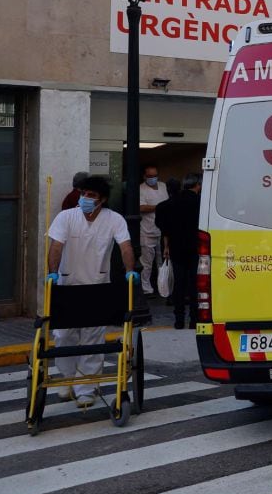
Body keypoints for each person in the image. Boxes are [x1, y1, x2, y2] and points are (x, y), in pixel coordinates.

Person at [45, 175, 136, 407]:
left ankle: (87, 388)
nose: (86, 198)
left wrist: (130, 270)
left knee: (92, 338)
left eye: (92, 195)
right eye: (84, 194)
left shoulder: (114, 219)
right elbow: (56, 246)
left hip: (97, 287)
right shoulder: (66, 217)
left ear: (102, 199)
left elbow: (125, 246)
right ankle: (67, 380)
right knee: (64, 336)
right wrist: (52, 272)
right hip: (68, 286)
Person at [161, 172, 202, 329]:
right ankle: (194, 319)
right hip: (195, 248)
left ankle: (178, 319)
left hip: (176, 248)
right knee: (195, 285)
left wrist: (166, 247)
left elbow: (166, 228)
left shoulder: (172, 202)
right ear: (198, 185)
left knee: (178, 284)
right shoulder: (200, 202)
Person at [138, 165, 169, 296]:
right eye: (150, 176)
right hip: (147, 230)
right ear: (144, 177)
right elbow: (141, 207)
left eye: (155, 175)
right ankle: (146, 289)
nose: (153, 178)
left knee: (162, 262)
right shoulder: (141, 189)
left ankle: (162, 287)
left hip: (163, 231)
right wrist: (160, 207)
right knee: (146, 263)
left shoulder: (162, 186)